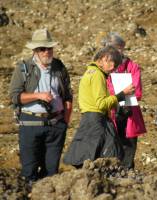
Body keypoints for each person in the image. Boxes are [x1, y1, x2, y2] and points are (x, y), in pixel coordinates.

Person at [9, 28, 73, 183]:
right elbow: (15, 96)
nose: (46, 52)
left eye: (49, 48)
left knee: (51, 173)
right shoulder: (23, 68)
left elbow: (68, 96)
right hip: (30, 124)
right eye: (42, 49)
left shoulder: (59, 66)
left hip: (56, 125)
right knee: (29, 172)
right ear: (35, 51)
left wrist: (65, 122)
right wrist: (38, 95)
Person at [63, 45, 135, 168]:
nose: (113, 68)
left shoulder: (90, 72)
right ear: (103, 58)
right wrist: (122, 94)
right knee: (103, 156)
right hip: (96, 120)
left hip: (91, 119)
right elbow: (101, 104)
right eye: (111, 63)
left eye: (116, 66)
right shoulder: (97, 75)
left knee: (89, 155)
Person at [103, 32, 146, 169]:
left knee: (128, 152)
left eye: (119, 47)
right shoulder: (103, 69)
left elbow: (137, 92)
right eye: (112, 48)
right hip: (110, 114)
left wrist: (118, 95)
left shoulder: (132, 66)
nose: (116, 51)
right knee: (111, 152)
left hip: (128, 115)